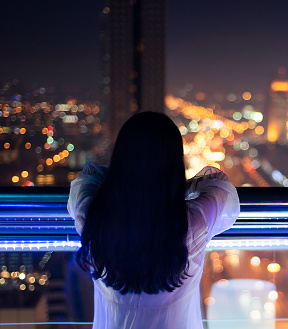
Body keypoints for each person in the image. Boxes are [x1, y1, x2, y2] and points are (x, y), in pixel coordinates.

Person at [67, 112, 240, 329]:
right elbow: (220, 184)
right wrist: (174, 190)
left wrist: (131, 181)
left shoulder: (92, 215)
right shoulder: (191, 223)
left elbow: (89, 174)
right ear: (175, 164)